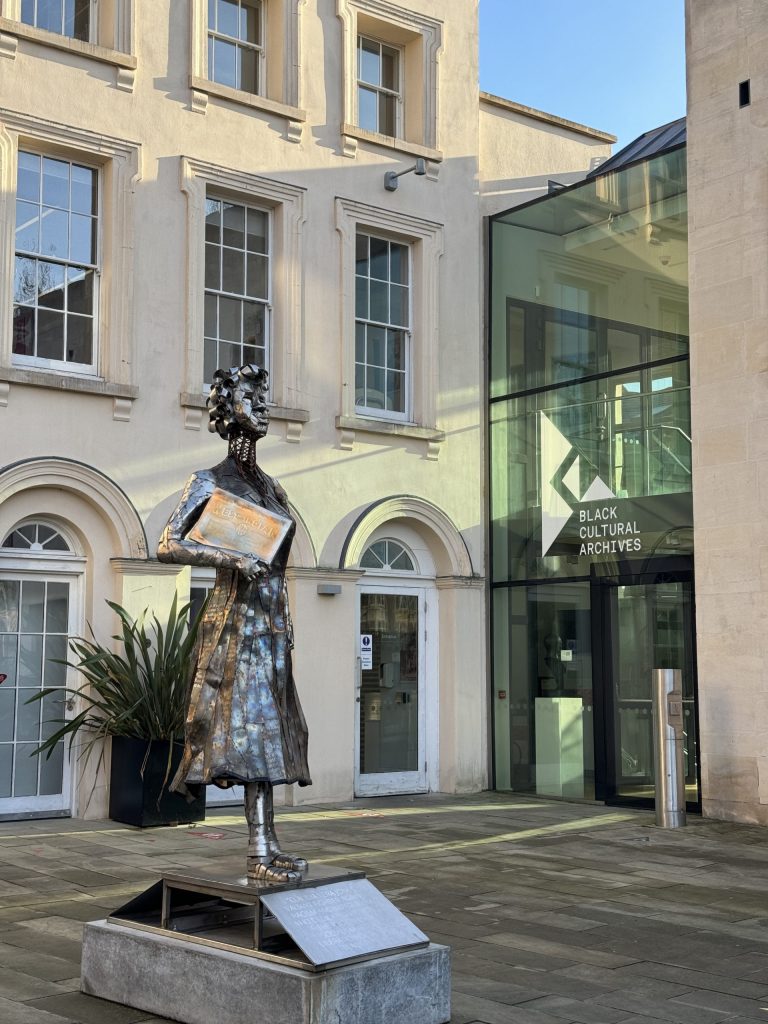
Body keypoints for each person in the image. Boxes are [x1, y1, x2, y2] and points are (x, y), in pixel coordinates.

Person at [158, 363, 310, 882]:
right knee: (251, 738)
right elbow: (167, 544)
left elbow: (281, 563)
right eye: (252, 397)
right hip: (234, 625)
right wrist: (231, 560)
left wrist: (286, 618)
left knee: (272, 735)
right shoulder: (209, 481)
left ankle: (266, 848)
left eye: (264, 398)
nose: (263, 406)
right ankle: (258, 853)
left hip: (268, 628)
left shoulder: (271, 487)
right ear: (228, 410)